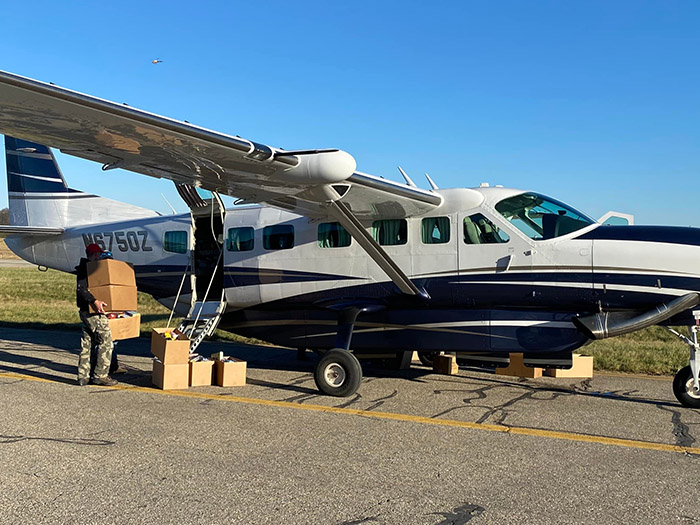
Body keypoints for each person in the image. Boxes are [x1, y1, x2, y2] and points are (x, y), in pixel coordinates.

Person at [76, 244, 118, 386]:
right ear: (94, 255)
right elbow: (82, 289)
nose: (100, 257)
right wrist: (94, 301)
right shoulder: (88, 270)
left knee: (87, 343)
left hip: (85, 311)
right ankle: (100, 375)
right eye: (98, 254)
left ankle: (83, 375)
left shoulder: (85, 268)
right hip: (93, 312)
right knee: (106, 342)